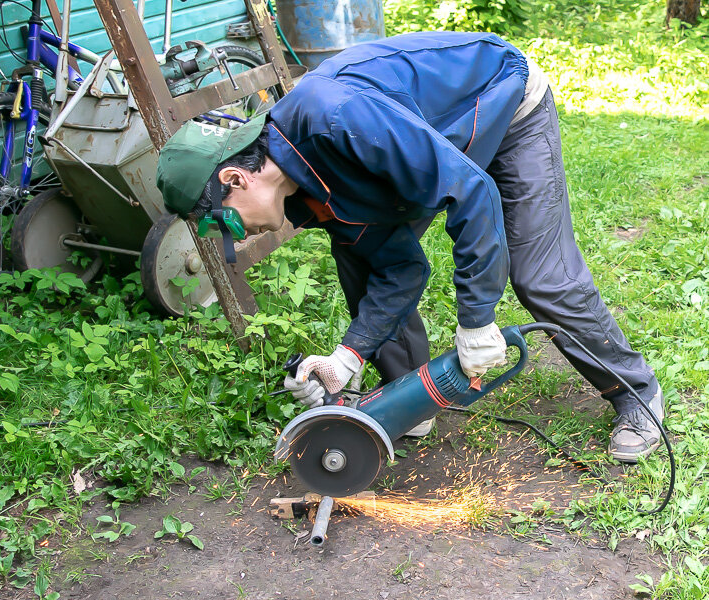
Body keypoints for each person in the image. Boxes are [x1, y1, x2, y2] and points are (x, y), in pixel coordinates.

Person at [155, 31, 663, 463]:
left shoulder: (338, 118)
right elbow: (396, 268)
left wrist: (478, 320)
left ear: (236, 177)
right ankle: (408, 400)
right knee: (360, 260)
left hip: (501, 105)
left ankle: (637, 394)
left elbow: (471, 191)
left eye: (227, 224)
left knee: (539, 274)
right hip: (425, 146)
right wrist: (347, 357)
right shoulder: (302, 191)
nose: (239, 238)